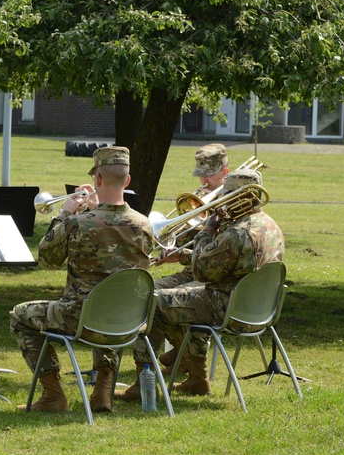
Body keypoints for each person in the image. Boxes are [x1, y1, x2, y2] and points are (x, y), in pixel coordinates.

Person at [117, 167, 283, 400]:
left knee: (150, 302)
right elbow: (224, 263)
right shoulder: (270, 226)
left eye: (226, 195)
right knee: (182, 295)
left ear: (236, 196)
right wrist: (183, 255)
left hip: (225, 306)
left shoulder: (237, 232)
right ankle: (197, 379)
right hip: (255, 309)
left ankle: (144, 385)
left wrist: (207, 230)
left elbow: (203, 272)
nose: (222, 201)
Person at [10, 146, 153, 414]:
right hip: (128, 323)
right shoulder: (144, 224)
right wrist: (97, 208)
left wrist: (65, 213)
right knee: (109, 302)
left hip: (81, 321)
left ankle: (53, 395)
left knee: (20, 315)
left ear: (98, 179)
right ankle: (102, 392)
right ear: (127, 180)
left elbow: (47, 259)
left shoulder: (78, 223)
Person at [152, 143, 229, 375]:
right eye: (200, 175)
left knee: (162, 299)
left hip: (210, 278)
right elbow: (188, 241)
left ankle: (184, 356)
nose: (204, 180)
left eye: (209, 175)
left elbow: (215, 256)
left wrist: (182, 255)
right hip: (192, 271)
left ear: (225, 172)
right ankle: (179, 352)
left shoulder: (232, 204)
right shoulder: (200, 198)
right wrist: (185, 222)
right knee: (148, 291)